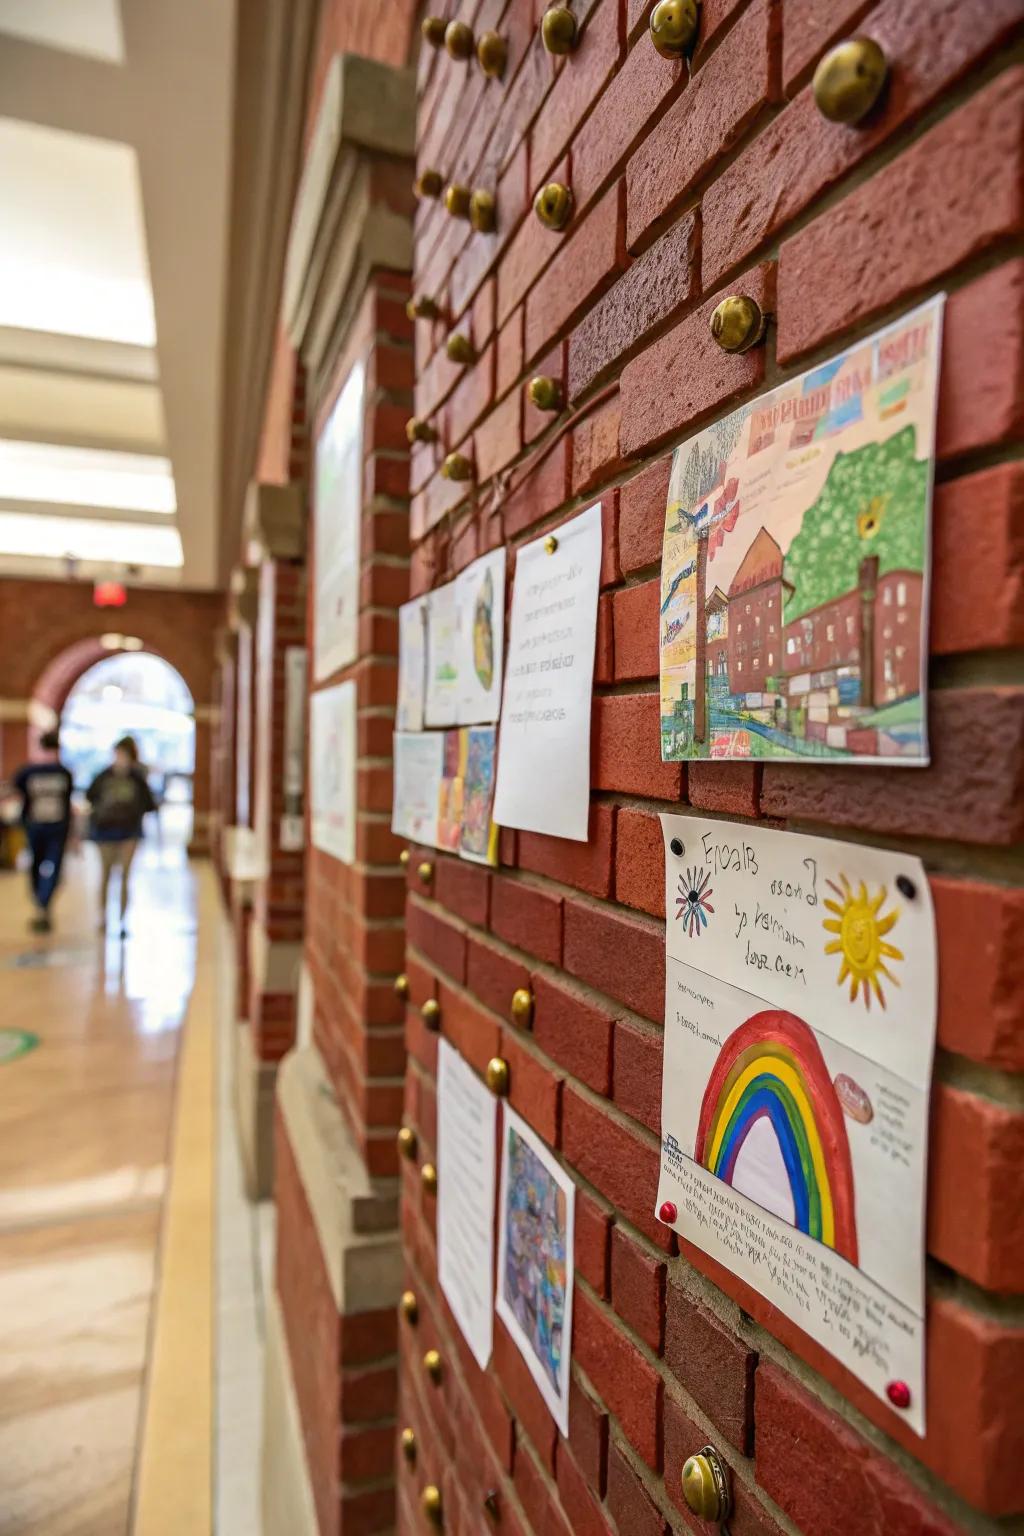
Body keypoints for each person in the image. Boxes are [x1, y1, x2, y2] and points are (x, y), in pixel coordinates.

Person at [86, 736, 156, 936]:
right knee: (106, 875)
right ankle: (103, 916)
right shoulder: (103, 776)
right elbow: (90, 796)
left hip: (129, 832)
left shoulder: (137, 778)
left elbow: (149, 804)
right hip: (105, 832)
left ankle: (123, 919)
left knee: (125, 876)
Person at [13, 728, 74, 933]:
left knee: (55, 867)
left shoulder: (64, 773)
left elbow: (67, 803)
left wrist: (71, 833)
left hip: (57, 828)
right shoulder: (29, 772)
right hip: (36, 827)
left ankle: (44, 903)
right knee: (36, 866)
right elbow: (17, 789)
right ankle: (40, 901)